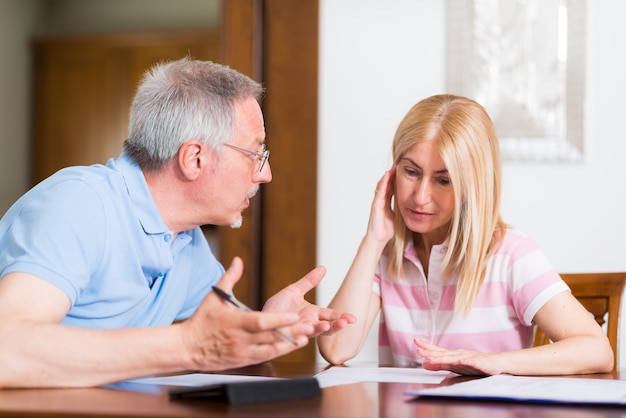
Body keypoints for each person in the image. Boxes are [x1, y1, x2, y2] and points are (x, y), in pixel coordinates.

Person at [0, 57, 355, 388]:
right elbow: (7, 348)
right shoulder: (80, 204)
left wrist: (270, 326)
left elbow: (222, 342)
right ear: (194, 158)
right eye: (255, 154)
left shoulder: (185, 240)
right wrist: (186, 346)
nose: (266, 174)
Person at [317, 94, 613, 376]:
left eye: (443, 180)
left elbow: (597, 349)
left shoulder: (511, 255)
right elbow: (335, 348)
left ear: (472, 187)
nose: (420, 196)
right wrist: (372, 241)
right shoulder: (385, 254)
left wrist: (496, 362)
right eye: (411, 172)